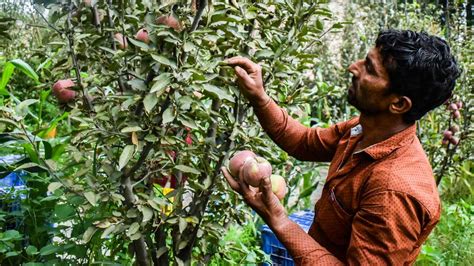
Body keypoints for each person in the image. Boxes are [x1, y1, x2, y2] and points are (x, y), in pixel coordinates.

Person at [220, 29, 460, 265]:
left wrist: (278, 219)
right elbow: (305, 142)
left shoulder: (393, 192)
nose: (353, 68)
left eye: (369, 68)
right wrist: (260, 98)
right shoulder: (364, 130)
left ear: (397, 103)